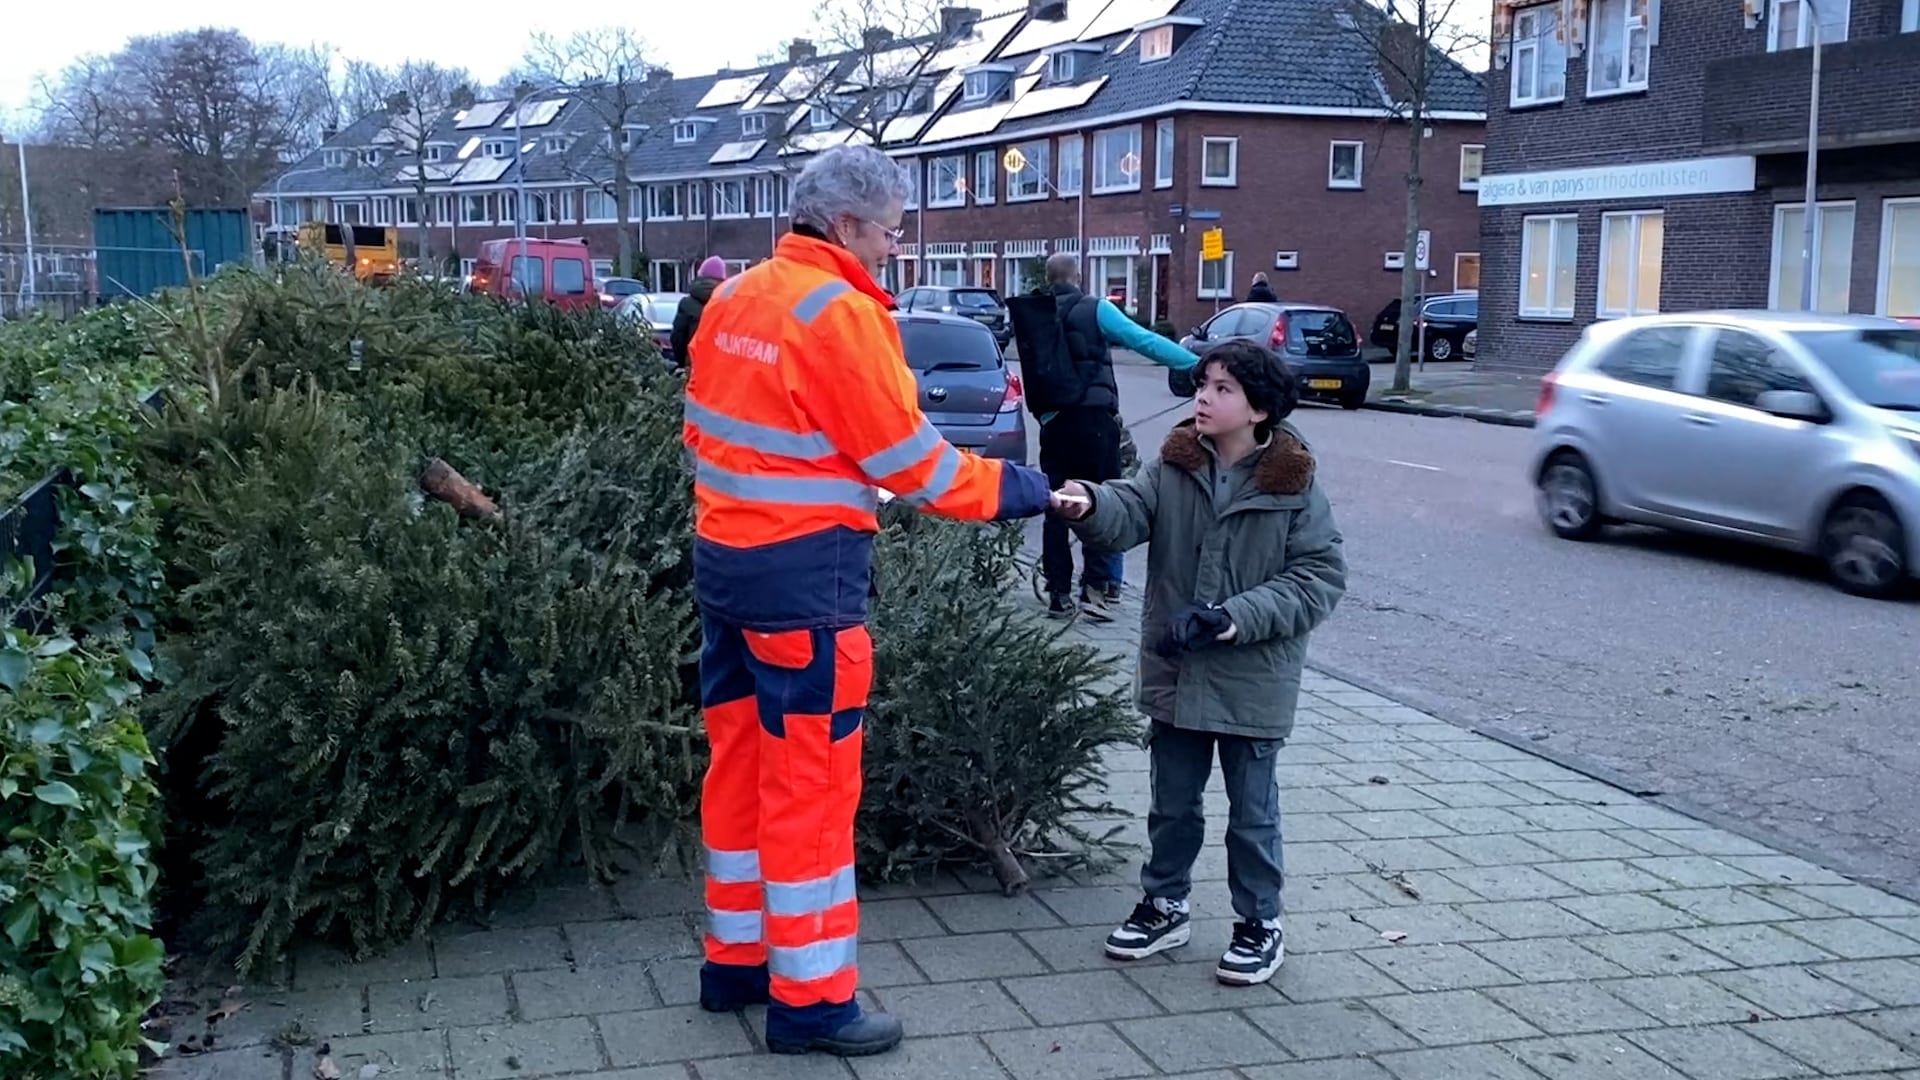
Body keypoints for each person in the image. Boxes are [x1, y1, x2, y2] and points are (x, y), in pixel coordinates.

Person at [684, 144, 1062, 1058]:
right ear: (848, 226)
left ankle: (736, 960)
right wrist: (1025, 489)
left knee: (737, 767)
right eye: (890, 230)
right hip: (806, 584)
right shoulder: (841, 315)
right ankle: (810, 1001)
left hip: (724, 566)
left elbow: (704, 425)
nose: (895, 246)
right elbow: (914, 467)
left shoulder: (737, 295)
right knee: (810, 789)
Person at [1052, 340, 1347, 987]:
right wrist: (1088, 503)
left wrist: (1234, 615)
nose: (1203, 398)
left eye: (1221, 389)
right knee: (1172, 804)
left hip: (1253, 680)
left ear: (1259, 409)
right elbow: (1127, 511)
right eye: (1203, 384)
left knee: (1253, 816)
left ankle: (1259, 921)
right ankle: (1165, 904)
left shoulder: (1293, 484)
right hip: (1177, 671)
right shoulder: (1175, 465)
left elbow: (1319, 578)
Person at [1009, 253, 1198, 622]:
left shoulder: (1038, 316)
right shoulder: (1094, 308)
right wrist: (1193, 363)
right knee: (1100, 500)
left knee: (1056, 504)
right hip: (1095, 420)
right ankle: (1095, 591)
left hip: (1054, 422)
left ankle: (1058, 594)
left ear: (1049, 279)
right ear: (1078, 276)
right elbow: (1142, 340)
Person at [671, 256, 729, 364]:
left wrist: (684, 363)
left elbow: (678, 339)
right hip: (721, 367)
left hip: (695, 365)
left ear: (700, 276)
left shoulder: (687, 304)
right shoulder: (729, 303)